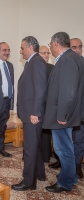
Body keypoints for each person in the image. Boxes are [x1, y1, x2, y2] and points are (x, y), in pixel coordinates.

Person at [43, 32, 84, 193]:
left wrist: (62, 115)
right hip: (73, 113)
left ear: (55, 44)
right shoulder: (77, 58)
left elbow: (68, 91)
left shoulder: (67, 60)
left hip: (62, 115)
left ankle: (65, 182)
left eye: (50, 45)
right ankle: (72, 177)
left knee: (63, 149)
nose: (50, 49)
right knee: (68, 147)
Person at [12, 36, 47, 191]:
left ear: (30, 47)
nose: (20, 51)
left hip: (33, 114)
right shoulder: (32, 62)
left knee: (30, 149)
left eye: (22, 48)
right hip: (30, 113)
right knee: (35, 146)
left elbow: (40, 89)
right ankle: (40, 173)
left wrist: (35, 112)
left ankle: (28, 182)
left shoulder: (37, 61)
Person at [70, 38, 84, 179]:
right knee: (66, 140)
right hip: (67, 112)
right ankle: (65, 163)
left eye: (80, 47)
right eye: (74, 47)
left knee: (79, 139)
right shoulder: (65, 64)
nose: (78, 50)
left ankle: (77, 165)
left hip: (81, 113)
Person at [39, 46, 54, 163]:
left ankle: (46, 155)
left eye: (47, 53)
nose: (46, 55)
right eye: (43, 53)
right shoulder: (32, 66)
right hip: (37, 105)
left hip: (48, 105)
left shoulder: (52, 68)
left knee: (46, 131)